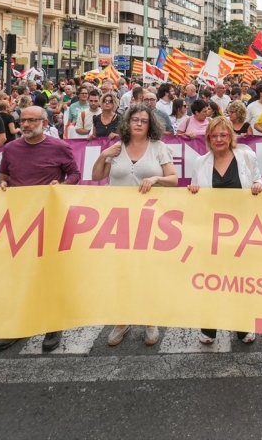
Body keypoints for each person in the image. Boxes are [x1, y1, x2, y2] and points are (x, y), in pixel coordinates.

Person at [0, 106, 81, 353]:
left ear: (44, 122)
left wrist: (62, 185)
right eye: (23, 120)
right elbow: (3, 174)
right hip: (19, 218)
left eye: (32, 120)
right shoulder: (11, 148)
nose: (26, 124)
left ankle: (53, 324)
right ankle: (20, 325)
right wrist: (2, 183)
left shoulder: (59, 146)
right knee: (20, 273)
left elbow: (74, 174)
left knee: (49, 272)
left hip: (50, 218)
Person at [91, 103, 177, 347]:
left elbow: (173, 179)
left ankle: (150, 319)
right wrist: (103, 156)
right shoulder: (117, 147)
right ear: (127, 122)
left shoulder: (158, 147)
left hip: (150, 219)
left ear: (150, 125)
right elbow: (97, 176)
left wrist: (156, 177)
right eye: (135, 119)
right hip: (118, 219)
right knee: (122, 271)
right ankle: (123, 319)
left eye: (144, 121)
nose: (139, 124)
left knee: (148, 269)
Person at [187, 117, 262, 345]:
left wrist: (259, 185)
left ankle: (243, 327)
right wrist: (193, 189)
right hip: (211, 233)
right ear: (208, 138)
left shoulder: (247, 157)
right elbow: (195, 190)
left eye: (224, 135)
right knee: (211, 281)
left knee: (240, 282)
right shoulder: (200, 162)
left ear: (231, 136)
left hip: (241, 232)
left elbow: (258, 180)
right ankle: (209, 329)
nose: (219, 139)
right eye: (215, 135)